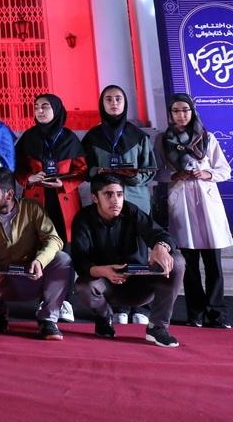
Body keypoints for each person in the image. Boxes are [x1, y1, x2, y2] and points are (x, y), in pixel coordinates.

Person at [72, 174, 185, 347]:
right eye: (108, 194)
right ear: (95, 198)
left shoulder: (131, 211)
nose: (115, 200)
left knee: (177, 261)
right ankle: (104, 317)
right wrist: (105, 271)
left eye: (119, 194)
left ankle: (157, 327)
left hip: (139, 284)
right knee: (83, 286)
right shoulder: (83, 219)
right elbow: (80, 262)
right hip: (106, 286)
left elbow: (159, 234)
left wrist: (161, 247)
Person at [155, 93, 233, 329]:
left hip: (207, 204)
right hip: (181, 203)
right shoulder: (162, 140)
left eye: (185, 110)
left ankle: (217, 314)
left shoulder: (207, 138)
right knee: (189, 265)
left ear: (192, 112)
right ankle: (195, 314)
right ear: (170, 114)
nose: (181, 115)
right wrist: (175, 175)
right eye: (176, 111)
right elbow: (157, 172)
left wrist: (207, 173)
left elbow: (225, 170)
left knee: (213, 264)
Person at [0, 167, 73, 340]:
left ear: (9, 195)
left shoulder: (31, 208)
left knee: (63, 259)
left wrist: (40, 261)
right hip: (2, 282)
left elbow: (54, 239)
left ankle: (48, 320)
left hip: (32, 278)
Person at [80, 84, 156, 325]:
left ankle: (142, 307)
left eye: (118, 99)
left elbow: (150, 169)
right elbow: (85, 169)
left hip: (135, 200)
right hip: (107, 203)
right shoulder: (93, 137)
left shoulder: (138, 135)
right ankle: (119, 304)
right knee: (112, 252)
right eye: (109, 99)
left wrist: (130, 176)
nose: (114, 103)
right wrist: (100, 172)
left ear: (125, 103)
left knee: (139, 253)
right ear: (102, 104)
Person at [14, 93, 87, 244]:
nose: (39, 111)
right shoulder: (28, 137)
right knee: (35, 242)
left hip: (63, 198)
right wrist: (29, 178)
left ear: (56, 109)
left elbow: (82, 170)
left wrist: (64, 184)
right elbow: (17, 167)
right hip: (36, 195)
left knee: (65, 242)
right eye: (36, 107)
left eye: (45, 107)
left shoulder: (70, 139)